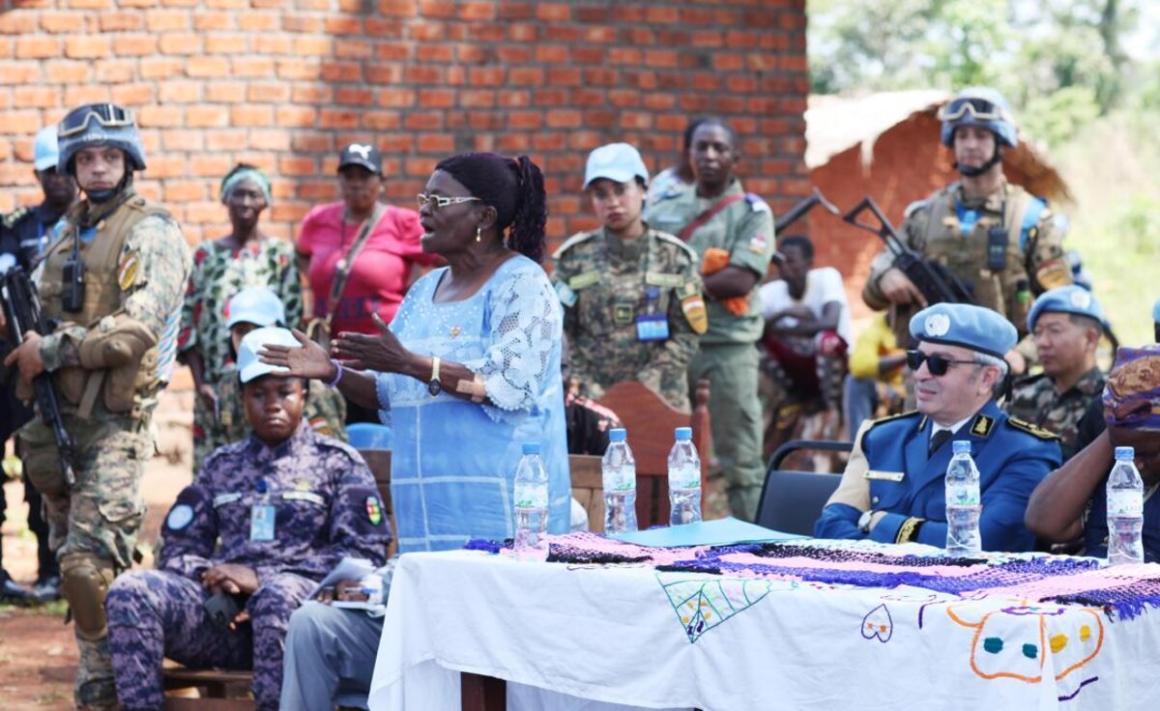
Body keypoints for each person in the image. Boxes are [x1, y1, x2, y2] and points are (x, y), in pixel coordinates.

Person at [273, 152, 571, 708]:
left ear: (483, 215)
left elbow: (505, 383)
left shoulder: (521, 285)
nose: (421, 215)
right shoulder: (423, 292)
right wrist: (333, 372)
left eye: (437, 202)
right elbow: (391, 395)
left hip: (500, 536)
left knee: (491, 682)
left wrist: (412, 362)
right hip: (425, 540)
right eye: (420, 202)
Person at [1, 103, 192, 709]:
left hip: (114, 425)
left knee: (88, 567)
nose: (99, 168)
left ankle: (113, 691)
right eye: (87, 158)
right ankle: (100, 684)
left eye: (110, 156)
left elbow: (133, 331)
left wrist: (49, 350)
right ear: (71, 166)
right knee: (72, 560)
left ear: (128, 161)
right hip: (56, 424)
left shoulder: (151, 231)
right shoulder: (63, 231)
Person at [105, 327, 390, 711]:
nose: (272, 404)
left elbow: (362, 556)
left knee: (275, 597)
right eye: (258, 394)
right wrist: (219, 579)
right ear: (242, 399)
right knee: (131, 590)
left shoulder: (336, 463)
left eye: (285, 392)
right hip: (226, 623)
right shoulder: (222, 466)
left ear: (304, 394)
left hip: (302, 625)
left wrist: (263, 581)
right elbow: (178, 549)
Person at [814, 303, 1062, 551]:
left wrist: (876, 521)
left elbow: (985, 541)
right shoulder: (881, 437)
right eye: (917, 359)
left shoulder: (1025, 450)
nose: (920, 374)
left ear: (987, 378)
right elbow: (829, 525)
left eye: (939, 364)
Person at [861, 87, 1072, 375]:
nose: (970, 145)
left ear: (1001, 141)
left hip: (1001, 378)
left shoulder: (1031, 218)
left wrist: (1022, 355)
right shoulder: (924, 216)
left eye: (981, 135)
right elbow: (872, 289)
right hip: (930, 376)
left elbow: (1061, 308)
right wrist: (886, 276)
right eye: (962, 135)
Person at [644, 118, 776, 521]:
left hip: (727, 347)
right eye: (702, 147)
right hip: (670, 346)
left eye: (720, 148)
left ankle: (753, 548)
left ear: (736, 157)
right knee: (660, 452)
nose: (710, 156)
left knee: (742, 460)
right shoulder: (664, 210)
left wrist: (677, 285)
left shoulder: (751, 213)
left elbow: (740, 278)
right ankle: (661, 542)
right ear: (689, 154)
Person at [552, 142, 704, 411]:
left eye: (621, 190)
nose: (612, 202)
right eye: (601, 194)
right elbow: (558, 330)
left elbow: (687, 334)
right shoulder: (573, 259)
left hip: (661, 402)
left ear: (643, 189)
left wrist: (645, 387)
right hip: (591, 403)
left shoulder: (675, 258)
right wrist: (588, 386)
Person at [295, 143, 438, 423]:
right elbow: (302, 255)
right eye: (349, 176)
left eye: (365, 176)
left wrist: (416, 300)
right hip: (330, 360)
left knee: (381, 445)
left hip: (383, 363)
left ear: (381, 182)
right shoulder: (318, 220)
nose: (356, 184)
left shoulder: (403, 222)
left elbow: (445, 259)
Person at [179, 163, 301, 471]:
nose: (245, 202)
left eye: (253, 195)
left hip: (266, 383)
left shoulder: (280, 256)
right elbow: (188, 323)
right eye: (238, 194)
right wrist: (200, 384)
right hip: (214, 386)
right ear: (225, 199)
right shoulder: (206, 256)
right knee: (213, 470)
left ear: (265, 202)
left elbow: (293, 322)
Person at [0, 124, 76, 603]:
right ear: (38, 174)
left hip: (62, 361)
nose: (58, 180)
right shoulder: (17, 226)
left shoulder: (91, 228)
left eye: (63, 170)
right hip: (10, 359)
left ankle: (54, 570)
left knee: (46, 468)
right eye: (49, 172)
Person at [1025, 345, 1160, 560]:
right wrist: (1114, 434)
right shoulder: (1116, 448)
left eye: (1147, 453)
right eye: (1124, 452)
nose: (1136, 464)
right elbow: (1044, 522)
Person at [208, 287, 346, 450]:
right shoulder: (226, 386)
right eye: (242, 331)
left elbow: (331, 454)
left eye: (259, 329)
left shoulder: (314, 387)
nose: (251, 340)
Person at [759, 235, 851, 452]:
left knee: (827, 341)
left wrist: (782, 328)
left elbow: (831, 322)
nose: (784, 267)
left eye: (791, 261)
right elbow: (754, 330)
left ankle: (831, 406)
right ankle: (787, 398)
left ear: (809, 263)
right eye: (779, 261)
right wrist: (784, 313)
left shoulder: (827, 277)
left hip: (832, 367)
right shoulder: (770, 292)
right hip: (796, 372)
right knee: (756, 346)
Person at [1005, 286, 1106, 460]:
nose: (1042, 342)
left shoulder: (1110, 402)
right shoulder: (1022, 394)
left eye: (1054, 331)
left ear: (1090, 339)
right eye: (1037, 333)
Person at [842, 311, 907, 439]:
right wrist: (905, 357)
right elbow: (859, 366)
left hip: (912, 394)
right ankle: (858, 445)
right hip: (888, 392)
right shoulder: (874, 331)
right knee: (855, 382)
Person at [645, 116, 707, 205]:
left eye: (718, 149)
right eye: (701, 148)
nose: (709, 155)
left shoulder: (723, 190)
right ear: (687, 151)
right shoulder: (666, 185)